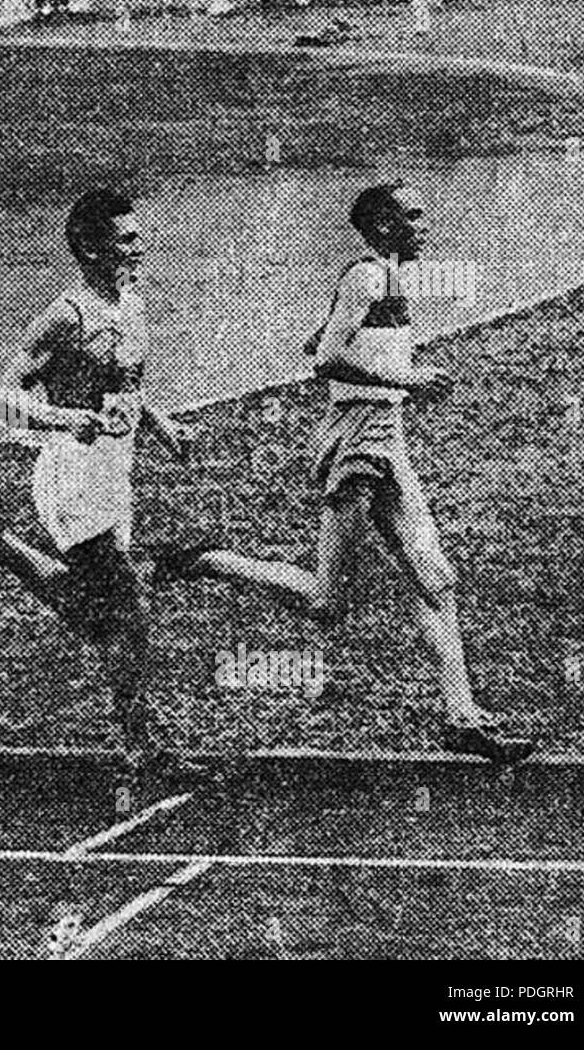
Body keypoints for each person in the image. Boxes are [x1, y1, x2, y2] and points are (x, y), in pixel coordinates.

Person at [153, 183, 536, 764]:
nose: (424, 226)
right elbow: (327, 356)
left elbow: (325, 339)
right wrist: (405, 378)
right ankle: (204, 560)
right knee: (326, 603)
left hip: (388, 438)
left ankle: (461, 717)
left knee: (437, 580)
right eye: (412, 217)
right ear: (383, 228)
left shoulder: (387, 279)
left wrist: (383, 364)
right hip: (359, 440)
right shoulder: (367, 278)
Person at [0, 190, 192, 778]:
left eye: (137, 235)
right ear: (91, 249)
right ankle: (139, 748)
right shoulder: (65, 317)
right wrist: (73, 419)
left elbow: (126, 385)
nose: (138, 245)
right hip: (72, 475)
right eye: (125, 239)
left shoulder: (129, 302)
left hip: (116, 474)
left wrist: (163, 425)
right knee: (130, 615)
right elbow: (1, 400)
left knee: (100, 616)